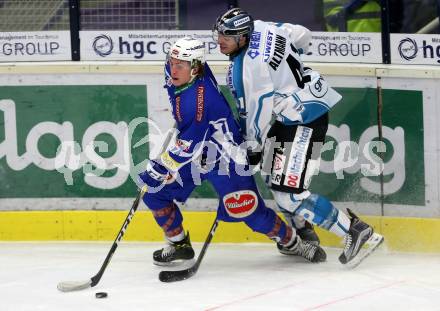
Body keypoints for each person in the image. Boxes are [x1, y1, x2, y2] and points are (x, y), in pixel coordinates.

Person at [213, 8, 384, 266]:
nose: (220, 40)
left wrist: (253, 146)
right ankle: (305, 234)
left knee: (288, 194)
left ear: (243, 37)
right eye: (219, 34)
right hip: (303, 108)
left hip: (301, 120)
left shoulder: (248, 68)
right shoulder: (263, 25)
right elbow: (302, 35)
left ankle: (355, 231)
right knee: (273, 177)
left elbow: (258, 111)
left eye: (228, 36)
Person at [138, 37, 327, 266]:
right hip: (199, 153)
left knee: (249, 211)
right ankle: (179, 244)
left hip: (227, 158)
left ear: (195, 67)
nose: (173, 69)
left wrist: (160, 166)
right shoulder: (182, 74)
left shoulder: (200, 100)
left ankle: (294, 243)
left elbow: (190, 144)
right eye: (172, 62)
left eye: (181, 65)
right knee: (153, 191)